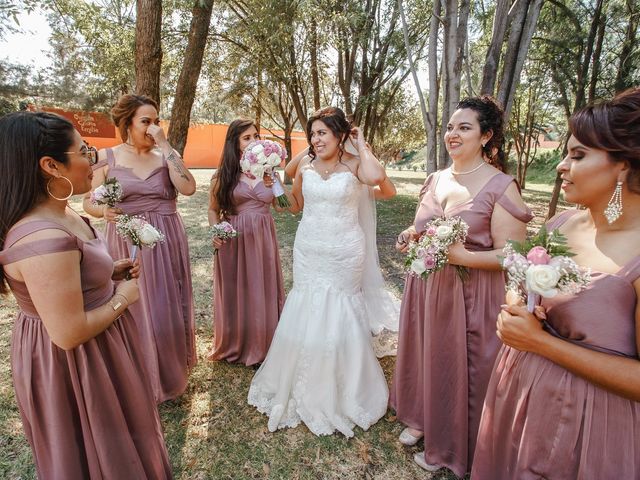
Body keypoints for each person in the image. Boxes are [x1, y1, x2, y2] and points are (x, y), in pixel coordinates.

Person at [472, 89, 640, 479]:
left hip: (589, 421)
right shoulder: (561, 224)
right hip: (521, 395)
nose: (562, 166)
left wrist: (541, 342)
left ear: (623, 166)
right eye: (566, 153)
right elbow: (521, 277)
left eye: (578, 155)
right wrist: (518, 302)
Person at [0, 112, 172, 478]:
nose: (92, 159)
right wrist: (123, 296)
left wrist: (107, 273)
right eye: (84, 151)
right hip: (77, 363)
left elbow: (73, 272)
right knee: (101, 453)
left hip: (103, 346)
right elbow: (68, 332)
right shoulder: (40, 238)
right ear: (50, 165)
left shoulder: (62, 213)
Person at [390, 96, 533, 476]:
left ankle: (453, 443)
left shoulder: (501, 187)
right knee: (428, 353)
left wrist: (465, 258)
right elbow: (420, 226)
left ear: (486, 136)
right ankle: (423, 417)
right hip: (426, 289)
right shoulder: (436, 178)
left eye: (464, 127)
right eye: (451, 127)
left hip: (469, 296)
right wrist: (409, 235)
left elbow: (513, 255)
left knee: (459, 365)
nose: (453, 134)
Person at [248, 106, 393, 436]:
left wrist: (363, 145)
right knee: (307, 305)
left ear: (340, 135)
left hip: (344, 252)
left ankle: (345, 385)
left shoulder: (356, 165)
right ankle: (301, 377)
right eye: (312, 134)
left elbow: (378, 182)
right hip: (309, 249)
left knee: (340, 308)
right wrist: (273, 187)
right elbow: (293, 206)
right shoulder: (305, 165)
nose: (315, 139)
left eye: (322, 133)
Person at [83, 94, 197, 403]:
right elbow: (89, 201)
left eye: (156, 121)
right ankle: (136, 376)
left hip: (166, 238)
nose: (152, 128)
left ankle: (169, 373)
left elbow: (187, 187)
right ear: (128, 125)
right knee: (133, 308)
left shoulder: (165, 155)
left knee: (164, 304)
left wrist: (166, 144)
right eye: (145, 122)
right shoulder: (109, 157)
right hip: (126, 240)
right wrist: (102, 211)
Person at [207, 119, 285, 366]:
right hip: (234, 239)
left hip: (262, 238)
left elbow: (283, 208)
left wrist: (276, 184)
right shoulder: (224, 175)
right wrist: (216, 230)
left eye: (256, 136)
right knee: (236, 289)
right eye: (247, 138)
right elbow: (212, 209)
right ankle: (235, 343)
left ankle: (264, 342)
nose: (254, 142)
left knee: (261, 286)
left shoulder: (268, 172)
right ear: (235, 144)